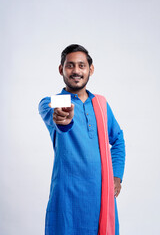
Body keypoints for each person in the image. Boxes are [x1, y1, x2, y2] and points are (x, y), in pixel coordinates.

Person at [38, 44, 125, 235]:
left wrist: (116, 176)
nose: (76, 71)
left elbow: (118, 139)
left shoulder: (101, 105)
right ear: (61, 69)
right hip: (67, 198)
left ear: (90, 69)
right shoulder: (51, 102)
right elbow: (58, 115)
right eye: (70, 65)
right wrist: (64, 119)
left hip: (100, 196)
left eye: (81, 65)